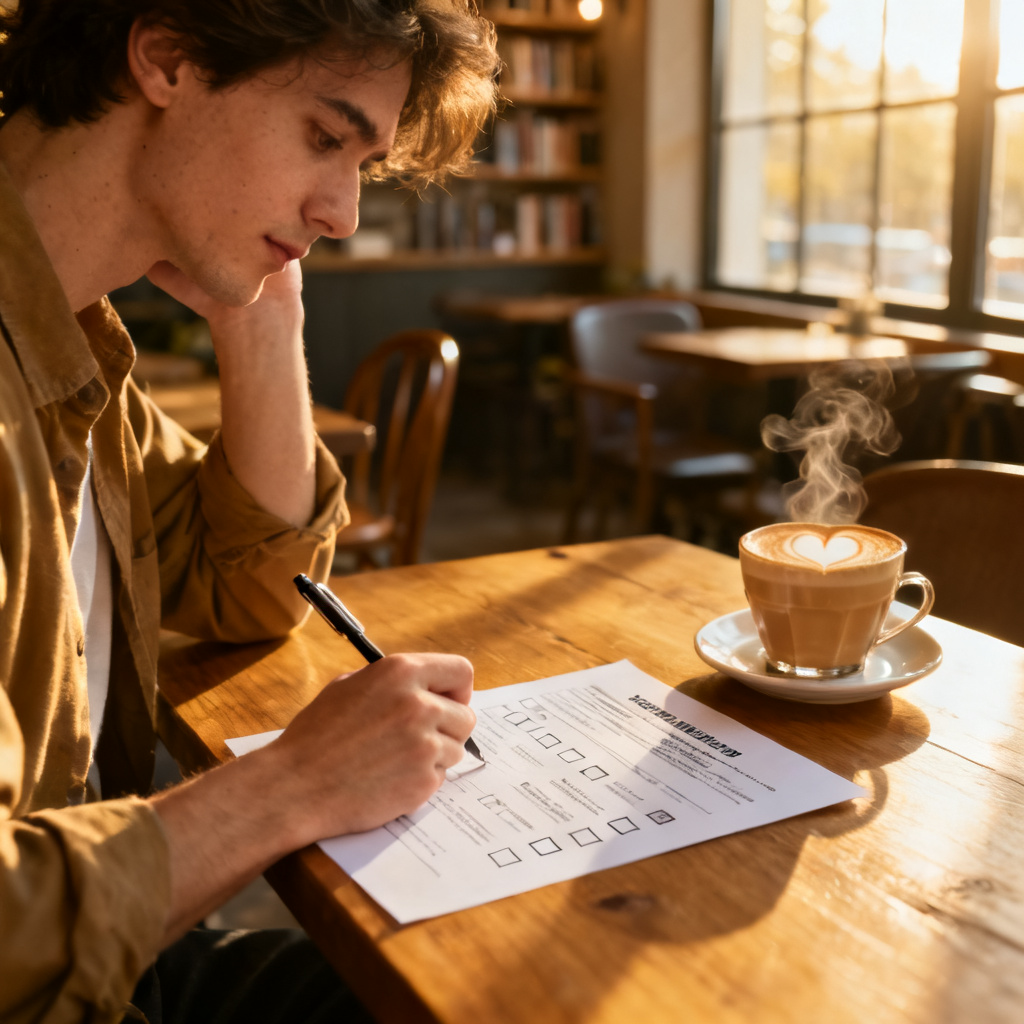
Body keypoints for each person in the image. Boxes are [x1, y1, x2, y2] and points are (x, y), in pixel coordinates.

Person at [0, 0, 499, 1021]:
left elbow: (257, 585)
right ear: (167, 57)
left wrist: (265, 316)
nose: (344, 214)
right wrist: (293, 785)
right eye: (325, 137)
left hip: (111, 953)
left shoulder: (72, 342)